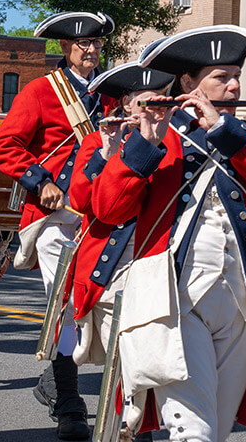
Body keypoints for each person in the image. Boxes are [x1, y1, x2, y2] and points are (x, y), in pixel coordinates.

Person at [90, 25, 246, 442]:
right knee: (192, 433)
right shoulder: (156, 135)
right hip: (174, 299)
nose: (235, 85)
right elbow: (108, 208)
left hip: (240, 300)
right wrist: (145, 142)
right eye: (222, 77)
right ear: (187, 84)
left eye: (236, 75)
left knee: (214, 432)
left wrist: (223, 128)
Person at [0, 11, 114, 440]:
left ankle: (62, 384)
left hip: (103, 214)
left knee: (106, 307)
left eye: (97, 43)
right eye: (83, 44)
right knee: (65, 309)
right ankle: (69, 404)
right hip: (56, 218)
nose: (92, 50)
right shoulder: (43, 90)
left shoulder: (110, 94)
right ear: (65, 47)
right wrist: (39, 181)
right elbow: (4, 145)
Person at [65, 61, 175, 442]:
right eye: (141, 103)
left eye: (156, 101)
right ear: (126, 105)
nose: (149, 110)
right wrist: (104, 155)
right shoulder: (100, 141)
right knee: (127, 365)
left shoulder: (174, 139)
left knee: (153, 362)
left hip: (159, 265)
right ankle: (127, 432)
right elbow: (81, 199)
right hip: (111, 267)